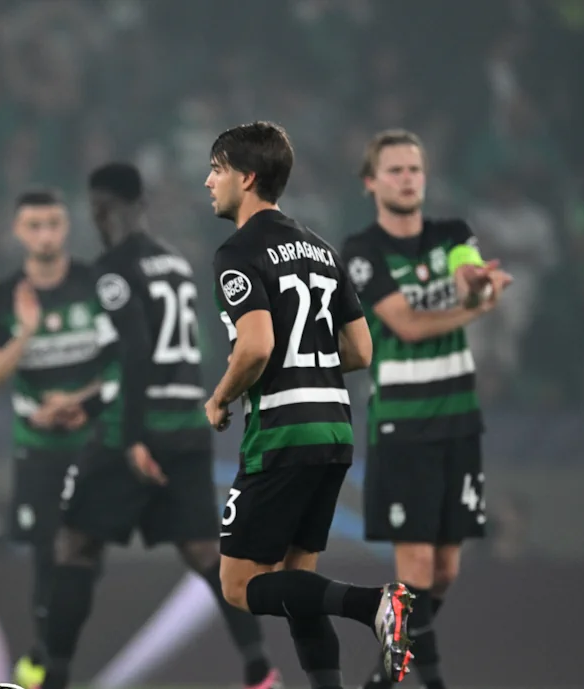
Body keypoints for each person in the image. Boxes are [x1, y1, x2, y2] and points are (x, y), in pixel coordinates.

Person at [39, 163, 278, 689]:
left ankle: (49, 678)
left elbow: (135, 353)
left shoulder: (112, 269)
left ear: (102, 209)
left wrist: (129, 439)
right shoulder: (174, 264)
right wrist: (90, 400)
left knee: (76, 545)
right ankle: (261, 669)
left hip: (140, 428)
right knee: (204, 553)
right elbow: (169, 357)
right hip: (186, 422)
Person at [202, 121, 415, 688]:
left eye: (218, 169)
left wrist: (221, 397)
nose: (208, 181)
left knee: (241, 587)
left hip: (282, 433)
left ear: (247, 178)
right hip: (335, 431)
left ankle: (373, 603)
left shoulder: (238, 251)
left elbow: (256, 345)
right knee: (299, 587)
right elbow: (361, 350)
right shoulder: (320, 248)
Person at [340, 129, 512, 689]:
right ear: (371, 182)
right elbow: (407, 325)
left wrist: (479, 287)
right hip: (403, 425)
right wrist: (476, 313)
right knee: (413, 572)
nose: (406, 178)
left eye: (414, 169)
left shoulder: (452, 233)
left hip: (459, 419)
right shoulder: (363, 252)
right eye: (393, 170)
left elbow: (467, 275)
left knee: (444, 572)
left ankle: (382, 679)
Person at [0, 189, 107, 687]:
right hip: (38, 453)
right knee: (46, 558)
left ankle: (49, 657)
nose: (45, 234)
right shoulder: (5, 295)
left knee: (86, 561)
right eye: (35, 225)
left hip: (94, 447)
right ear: (17, 231)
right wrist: (26, 332)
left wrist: (79, 401)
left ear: (66, 227)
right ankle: (48, 664)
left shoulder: (95, 284)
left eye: (53, 223)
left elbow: (124, 362)